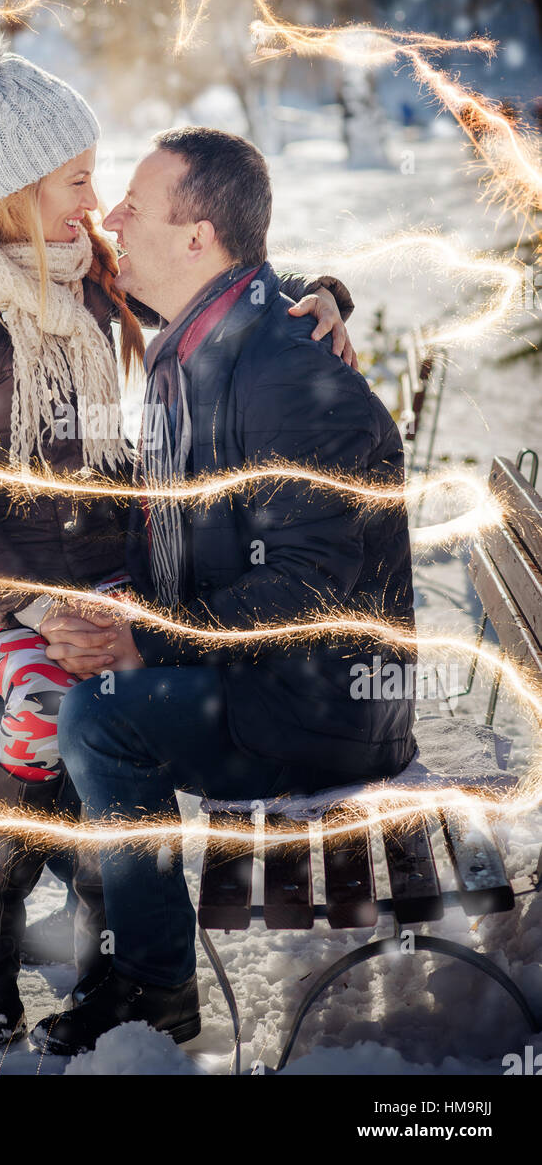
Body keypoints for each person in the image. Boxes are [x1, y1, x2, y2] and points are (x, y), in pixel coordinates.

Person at [0, 17, 357, 1047]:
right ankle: (2, 949)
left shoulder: (85, 262)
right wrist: (34, 603)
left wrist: (319, 293)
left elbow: (217, 263)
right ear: (13, 190)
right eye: (73, 180)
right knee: (33, 693)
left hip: (108, 565)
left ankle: (114, 926)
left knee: (7, 706)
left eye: (95, 177)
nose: (95, 203)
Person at [29, 126, 416, 1056]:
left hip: (316, 704)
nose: (109, 219)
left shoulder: (279, 372)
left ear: (198, 238)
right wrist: (91, 614)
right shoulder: (199, 336)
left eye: (133, 205)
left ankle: (150, 981)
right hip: (252, 671)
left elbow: (306, 590)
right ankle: (111, 913)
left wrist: (145, 642)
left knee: (99, 716)